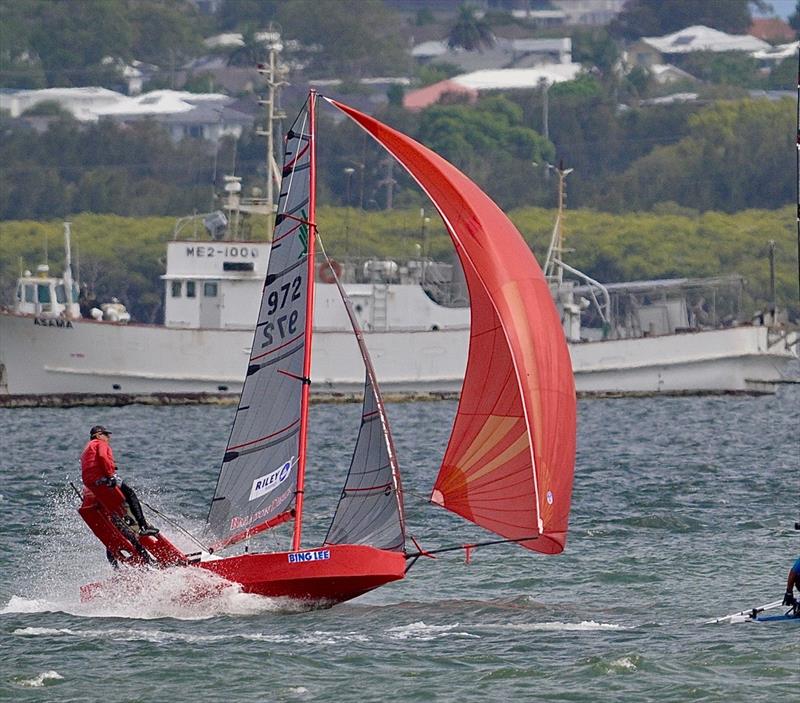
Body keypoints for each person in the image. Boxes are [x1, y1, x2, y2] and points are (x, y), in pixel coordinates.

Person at [80, 425, 159, 537]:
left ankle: (123, 528)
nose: (108, 438)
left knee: (115, 505)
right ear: (98, 435)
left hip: (91, 484)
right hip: (103, 479)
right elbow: (103, 457)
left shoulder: (87, 448)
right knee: (130, 494)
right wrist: (110, 475)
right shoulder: (100, 443)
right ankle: (143, 527)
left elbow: (91, 465)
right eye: (106, 435)